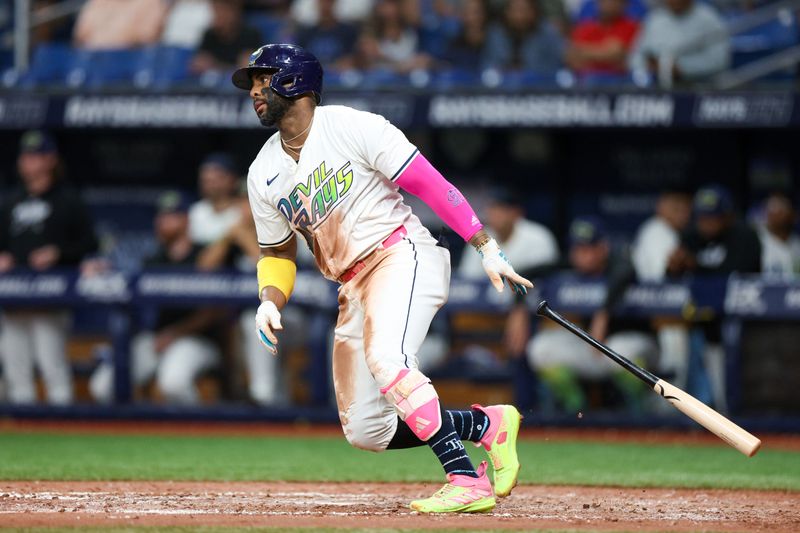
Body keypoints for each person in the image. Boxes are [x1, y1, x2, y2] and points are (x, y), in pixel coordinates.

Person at [232, 43, 532, 513]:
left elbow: (430, 184)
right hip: (351, 284)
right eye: (252, 82)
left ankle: (464, 479)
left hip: (399, 254)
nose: (254, 91)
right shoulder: (262, 171)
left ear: (294, 81)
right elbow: (276, 252)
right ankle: (485, 427)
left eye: (261, 79)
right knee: (367, 429)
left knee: (389, 360)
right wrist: (270, 299)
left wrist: (484, 245)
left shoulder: (353, 126)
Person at [89, 191, 227, 405]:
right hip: (158, 338)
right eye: (160, 216)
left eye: (170, 216)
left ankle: (196, 435)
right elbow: (129, 299)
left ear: (185, 219)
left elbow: (216, 310)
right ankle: (133, 435)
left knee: (173, 384)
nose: (161, 222)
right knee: (103, 386)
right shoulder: (153, 260)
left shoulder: (205, 256)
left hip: (199, 340)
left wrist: (176, 333)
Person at [0, 131, 98, 405]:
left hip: (51, 299)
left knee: (52, 365)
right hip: (14, 299)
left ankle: (62, 426)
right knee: (16, 369)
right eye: (26, 156)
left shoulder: (68, 199)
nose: (30, 162)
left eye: (37, 155)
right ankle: (23, 432)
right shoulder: (11, 202)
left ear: (51, 159)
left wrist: (59, 253)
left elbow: (89, 244)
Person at [526, 216, 655, 413]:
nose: (582, 255)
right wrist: (518, 308)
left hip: (632, 343)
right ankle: (576, 408)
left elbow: (625, 272)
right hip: (595, 348)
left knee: (623, 351)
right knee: (541, 348)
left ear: (603, 247)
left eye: (588, 248)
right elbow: (530, 271)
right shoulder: (571, 266)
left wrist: (602, 314)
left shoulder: (619, 264)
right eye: (578, 249)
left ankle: (638, 412)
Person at [667, 185, 761, 410]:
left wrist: (695, 265)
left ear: (727, 216)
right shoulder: (690, 236)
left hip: (743, 324)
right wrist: (673, 267)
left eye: (713, 217)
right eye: (703, 217)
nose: (707, 223)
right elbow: (670, 279)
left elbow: (737, 274)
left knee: (733, 389)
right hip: (702, 322)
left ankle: (733, 416)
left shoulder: (744, 235)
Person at [458, 187, 559, 356]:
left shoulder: (538, 237)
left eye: (501, 209)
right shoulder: (479, 239)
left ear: (516, 213)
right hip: (489, 315)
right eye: (492, 208)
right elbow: (468, 283)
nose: (494, 214)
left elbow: (545, 282)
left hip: (534, 314)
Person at [630, 190, 692, 389]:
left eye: (685, 209)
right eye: (676, 208)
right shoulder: (658, 232)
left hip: (662, 311)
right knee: (673, 369)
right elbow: (659, 279)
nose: (682, 215)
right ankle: (668, 417)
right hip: (662, 311)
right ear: (661, 208)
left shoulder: (663, 231)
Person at [629, 0, 730, 84]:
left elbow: (719, 60)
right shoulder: (654, 18)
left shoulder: (709, 19)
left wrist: (682, 68)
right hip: (655, 85)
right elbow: (635, 56)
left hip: (699, 86)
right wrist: (647, 65)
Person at [483, 0, 564, 73]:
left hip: (540, 87)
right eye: (516, 10)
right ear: (507, 12)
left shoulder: (547, 34)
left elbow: (555, 67)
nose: (520, 16)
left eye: (524, 10)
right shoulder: (495, 34)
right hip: (501, 88)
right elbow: (487, 66)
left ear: (533, 12)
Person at [565, 0, 639, 75]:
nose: (609, 4)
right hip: (585, 81)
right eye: (604, 1)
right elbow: (572, 58)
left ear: (624, 5)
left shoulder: (630, 25)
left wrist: (583, 52)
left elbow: (615, 54)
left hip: (619, 81)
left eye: (615, 1)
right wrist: (604, 52)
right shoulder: (584, 27)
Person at [190, 0, 263, 75]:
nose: (217, 15)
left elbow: (247, 66)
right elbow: (199, 63)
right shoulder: (209, 34)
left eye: (222, 11)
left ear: (234, 13)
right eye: (215, 11)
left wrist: (215, 65)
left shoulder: (250, 34)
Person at [73, 0, 169, 49]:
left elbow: (146, 37)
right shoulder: (97, 2)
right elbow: (80, 36)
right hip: (92, 62)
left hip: (127, 65)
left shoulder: (149, 2)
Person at [294, 0, 359, 70]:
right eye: (322, 2)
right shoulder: (305, 33)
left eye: (328, 1)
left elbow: (351, 59)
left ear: (334, 3)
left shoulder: (348, 31)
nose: (325, 5)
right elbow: (300, 60)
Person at [756, 192, 800, 278]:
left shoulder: (797, 243)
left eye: (781, 209)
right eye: (772, 209)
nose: (776, 214)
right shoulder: (757, 241)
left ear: (792, 214)